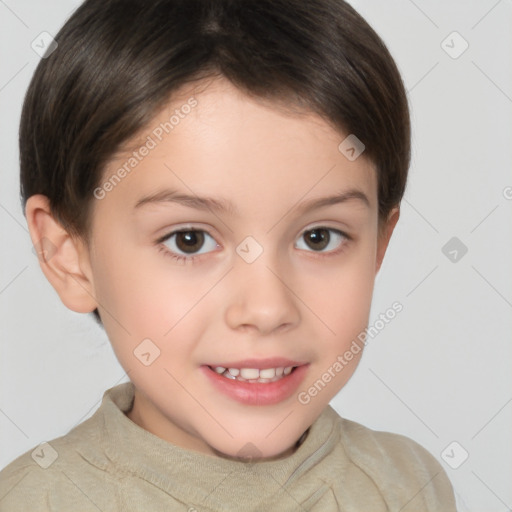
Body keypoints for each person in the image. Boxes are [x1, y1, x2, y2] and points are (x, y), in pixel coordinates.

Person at [0, 0, 457, 510]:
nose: (266, 309)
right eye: (189, 239)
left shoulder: (409, 485)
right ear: (68, 256)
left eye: (319, 237)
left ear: (379, 244)